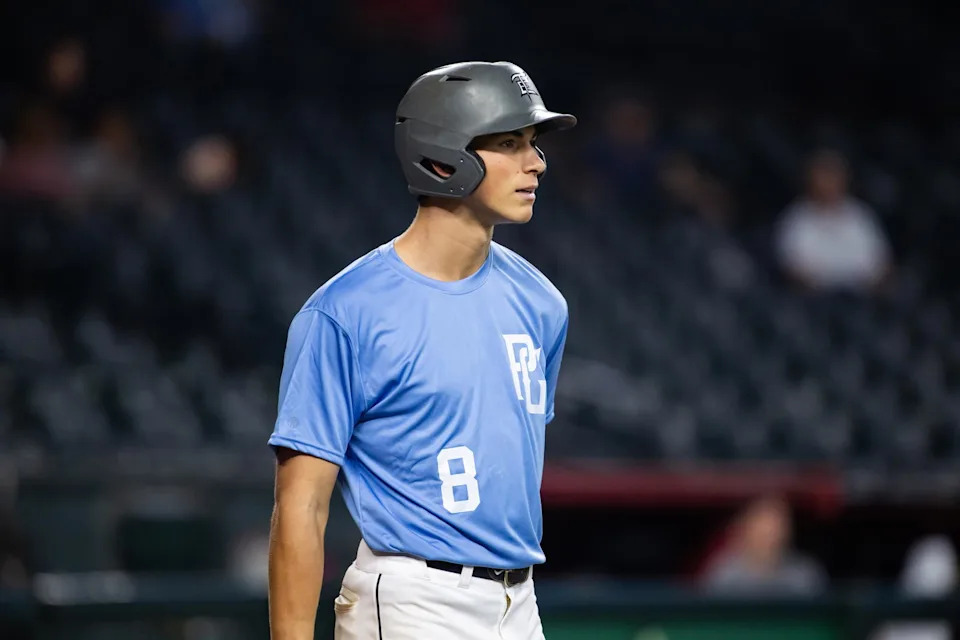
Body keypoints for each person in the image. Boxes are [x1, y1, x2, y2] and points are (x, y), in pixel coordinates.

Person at [267, 61, 575, 640]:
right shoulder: (346, 311)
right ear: (442, 155)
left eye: (533, 144)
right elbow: (301, 510)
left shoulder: (542, 304)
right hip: (414, 600)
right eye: (510, 143)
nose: (537, 162)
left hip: (520, 600)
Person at [775, 148, 892, 294]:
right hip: (815, 301)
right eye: (824, 176)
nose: (829, 183)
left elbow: (882, 264)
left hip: (863, 297)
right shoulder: (796, 218)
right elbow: (793, 269)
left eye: (834, 175)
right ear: (810, 180)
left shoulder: (860, 214)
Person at [701, 494, 827, 596]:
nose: (771, 539)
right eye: (763, 532)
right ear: (746, 531)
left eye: (777, 530)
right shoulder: (724, 574)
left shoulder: (804, 575)